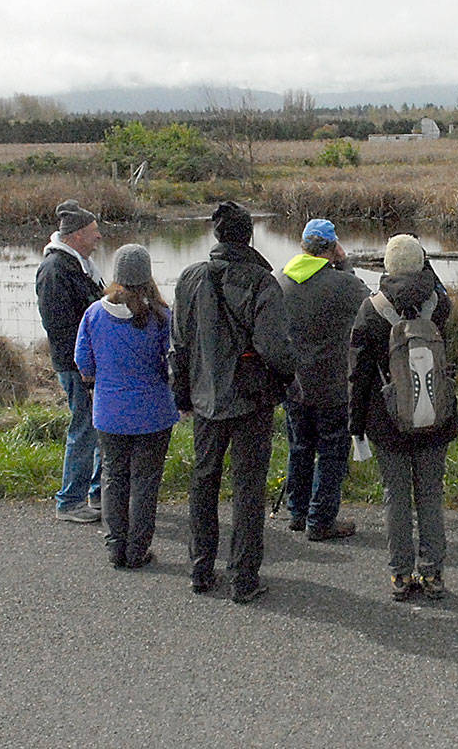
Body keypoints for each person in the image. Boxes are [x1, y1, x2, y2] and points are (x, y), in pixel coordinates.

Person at [171, 201, 295, 603]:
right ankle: (243, 578)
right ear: (248, 235)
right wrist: (287, 379)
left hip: (205, 399)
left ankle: (199, 570)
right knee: (247, 488)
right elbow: (275, 348)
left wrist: (182, 394)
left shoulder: (189, 278)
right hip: (250, 401)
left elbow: (180, 342)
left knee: (203, 483)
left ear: (217, 236)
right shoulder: (261, 282)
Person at [348, 234, 458, 601]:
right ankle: (433, 574)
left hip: (387, 419)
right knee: (430, 495)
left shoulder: (371, 309)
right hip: (435, 417)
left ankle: (400, 574)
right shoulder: (439, 305)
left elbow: (359, 375)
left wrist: (356, 426)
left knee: (396, 496)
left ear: (387, 266)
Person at [74, 244, 178, 570]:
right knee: (145, 484)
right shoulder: (161, 317)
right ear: (148, 275)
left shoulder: (94, 314)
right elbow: (172, 364)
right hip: (153, 412)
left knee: (113, 477)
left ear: (117, 275)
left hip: (109, 411)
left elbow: (83, 362)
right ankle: (138, 550)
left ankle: (115, 547)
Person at [278, 218, 370, 541]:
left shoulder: (279, 281)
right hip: (333, 387)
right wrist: (345, 265)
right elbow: (369, 304)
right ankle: (320, 520)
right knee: (332, 453)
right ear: (332, 250)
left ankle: (297, 512)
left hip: (294, 385)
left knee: (299, 447)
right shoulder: (343, 284)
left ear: (303, 247)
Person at [36, 199, 105, 523]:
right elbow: (61, 327)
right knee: (84, 430)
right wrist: (85, 367)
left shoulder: (76, 265)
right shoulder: (55, 270)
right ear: (76, 235)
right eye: (93, 232)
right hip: (77, 366)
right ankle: (70, 501)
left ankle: (96, 493)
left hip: (87, 363)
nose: (99, 238)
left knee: (95, 429)